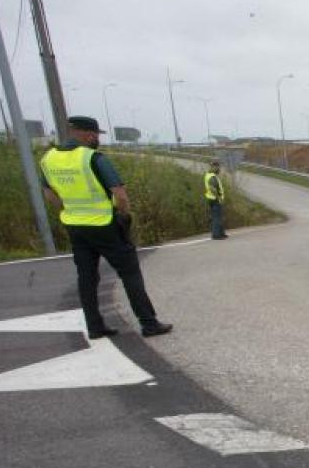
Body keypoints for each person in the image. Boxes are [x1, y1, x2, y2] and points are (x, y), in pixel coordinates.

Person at [40, 116, 172, 339]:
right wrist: (123, 216)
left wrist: (68, 209)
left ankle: (95, 327)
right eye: (95, 135)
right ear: (88, 134)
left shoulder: (48, 159)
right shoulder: (93, 158)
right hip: (104, 225)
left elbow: (49, 194)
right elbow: (119, 194)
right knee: (130, 272)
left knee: (87, 277)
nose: (96, 139)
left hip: (75, 226)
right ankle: (149, 323)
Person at [204, 160, 228, 240]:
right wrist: (219, 198)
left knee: (219, 216)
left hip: (212, 199)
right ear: (214, 167)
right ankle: (216, 235)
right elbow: (213, 189)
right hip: (215, 199)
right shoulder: (212, 177)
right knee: (217, 217)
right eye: (218, 167)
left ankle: (221, 233)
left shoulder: (210, 175)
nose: (219, 169)